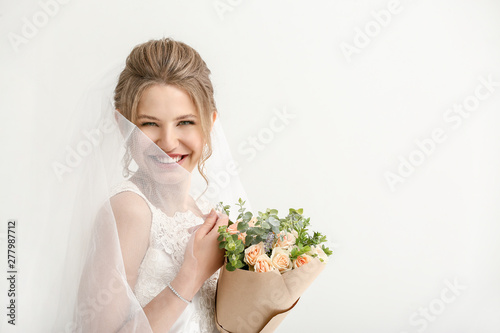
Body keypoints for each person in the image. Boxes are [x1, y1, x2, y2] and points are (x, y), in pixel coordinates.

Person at [66, 38, 248, 333]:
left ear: (210, 123)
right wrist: (191, 276)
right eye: (149, 124)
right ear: (122, 125)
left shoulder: (203, 211)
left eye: (185, 122)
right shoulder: (129, 210)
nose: (168, 143)